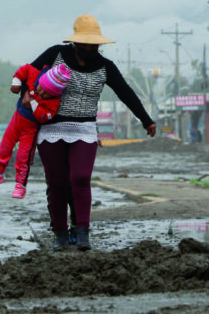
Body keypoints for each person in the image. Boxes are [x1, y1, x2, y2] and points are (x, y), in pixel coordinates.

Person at [25, 14, 156, 251]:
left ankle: (83, 231)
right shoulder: (56, 54)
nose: (90, 48)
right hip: (51, 127)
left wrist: (146, 119)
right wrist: (25, 92)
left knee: (81, 178)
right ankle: (61, 234)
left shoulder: (105, 66)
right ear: (75, 42)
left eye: (94, 44)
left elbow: (125, 92)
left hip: (84, 129)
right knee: (57, 182)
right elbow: (28, 72)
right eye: (86, 43)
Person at [0, 63, 71, 199]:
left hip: (30, 130)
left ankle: (20, 184)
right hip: (16, 120)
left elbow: (45, 116)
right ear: (41, 81)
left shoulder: (54, 102)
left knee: (23, 157)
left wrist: (33, 103)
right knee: (4, 146)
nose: (41, 94)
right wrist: (16, 83)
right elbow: (23, 70)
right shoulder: (34, 73)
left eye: (46, 94)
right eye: (41, 89)